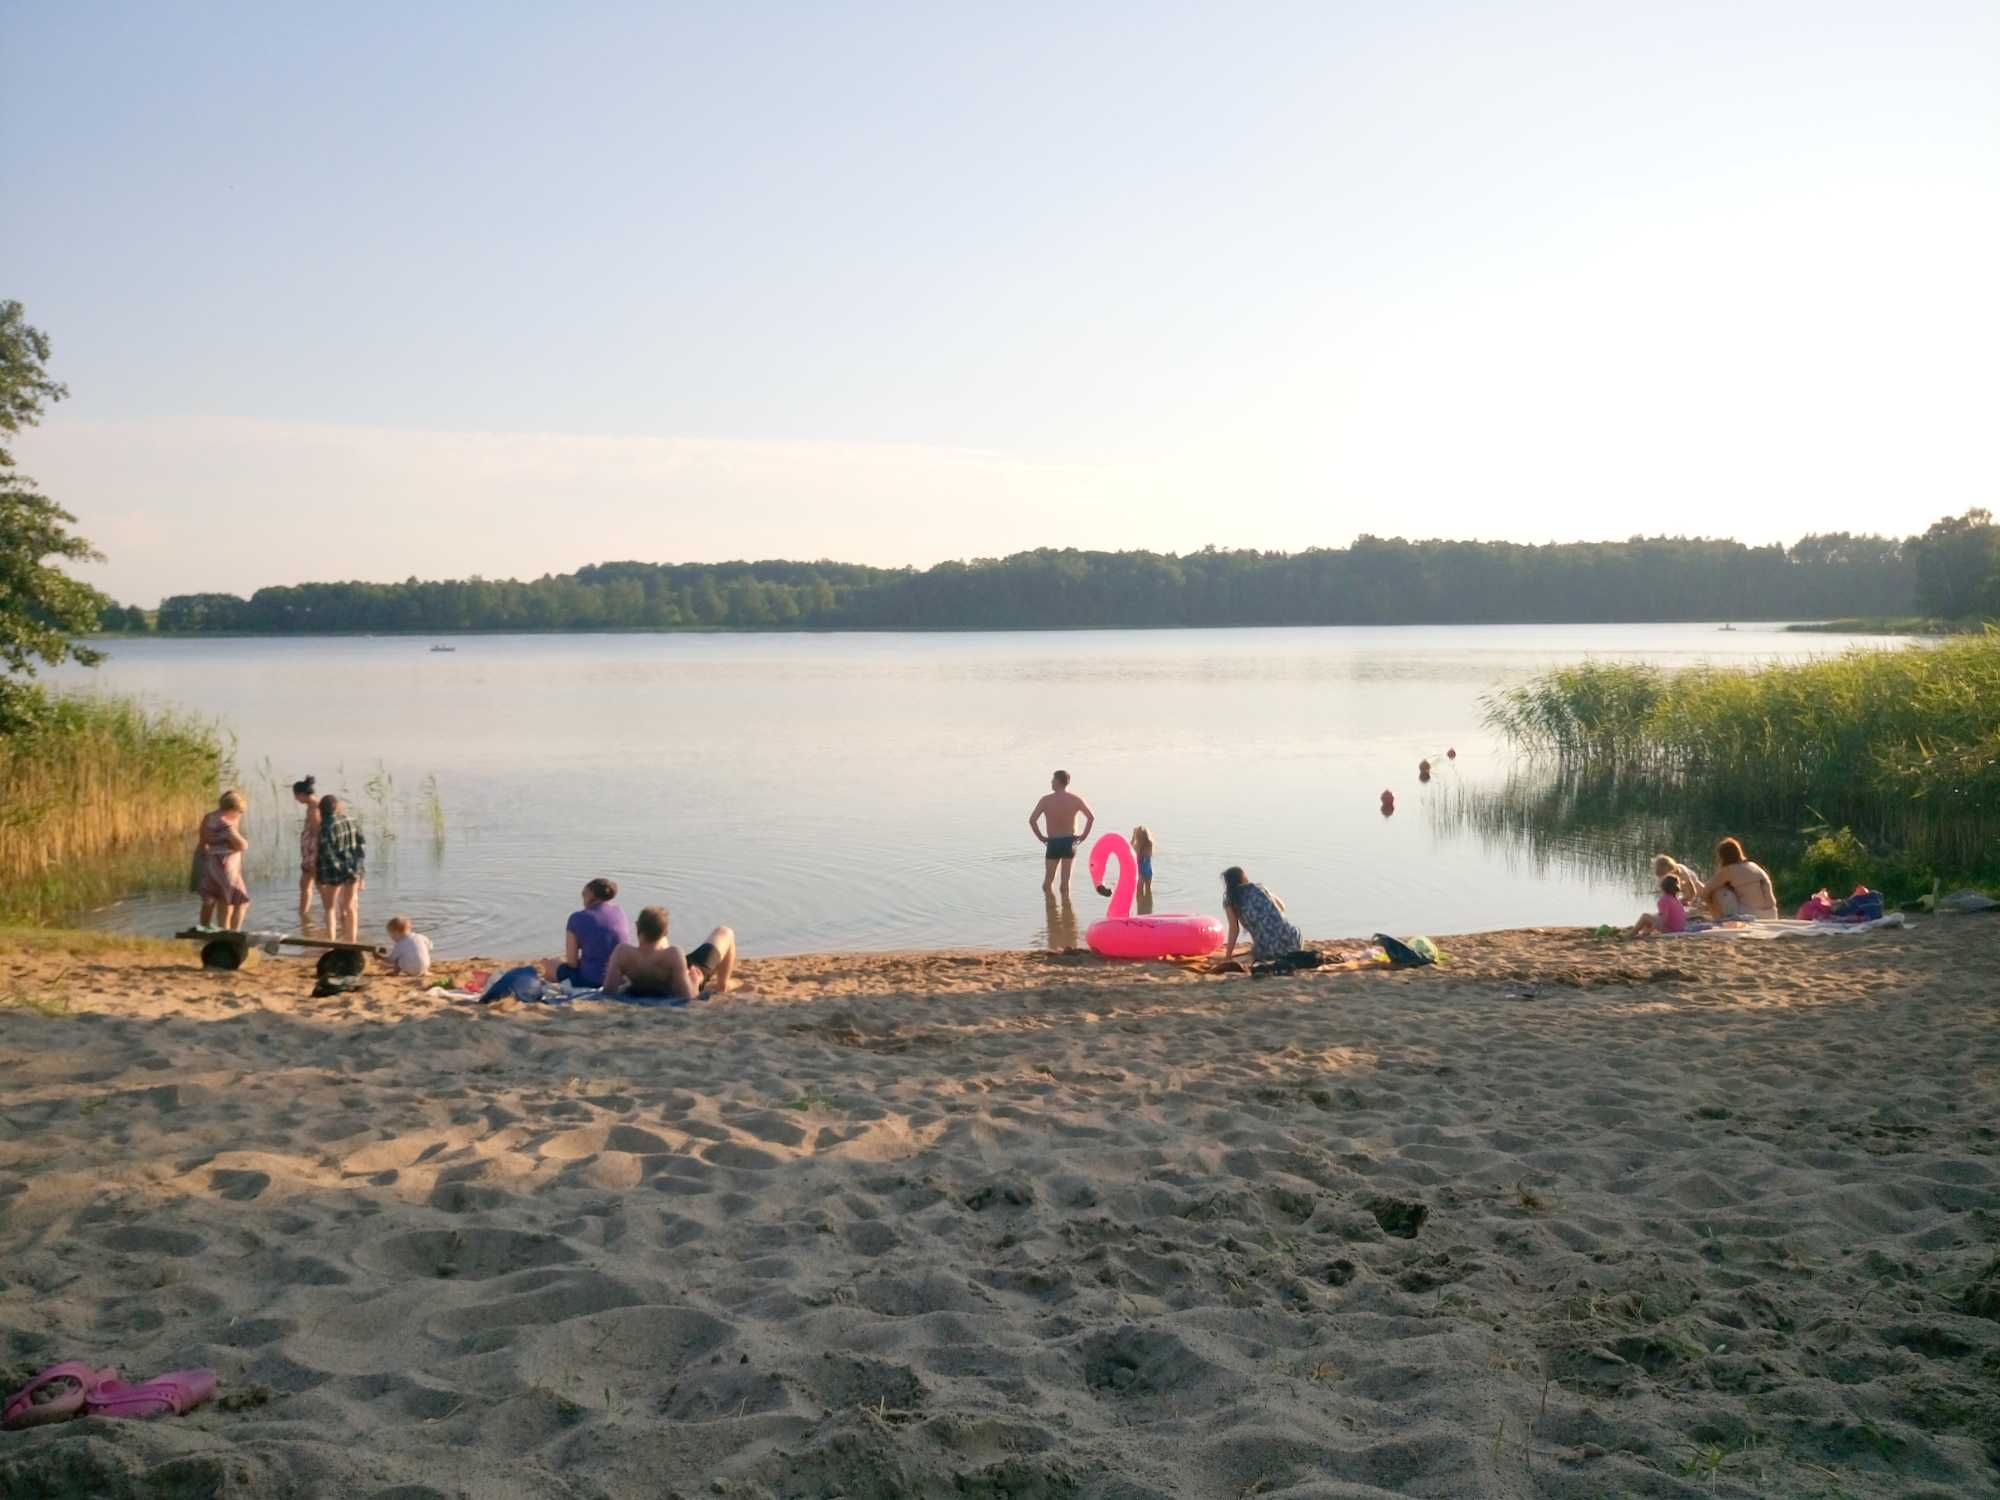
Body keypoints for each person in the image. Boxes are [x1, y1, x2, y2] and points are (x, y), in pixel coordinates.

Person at [601, 906, 737, 1002]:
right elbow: (688, 996)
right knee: (725, 932)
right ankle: (721, 985)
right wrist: (696, 982)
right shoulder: (673, 953)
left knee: (660, 943)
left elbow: (608, 991)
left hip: (644, 974)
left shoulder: (622, 952)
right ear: (666, 931)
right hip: (679, 973)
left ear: (637, 926)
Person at [543, 877, 633, 989]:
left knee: (550, 963)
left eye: (583, 894)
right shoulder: (619, 911)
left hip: (591, 980)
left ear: (590, 895)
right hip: (618, 978)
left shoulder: (577, 918)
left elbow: (572, 963)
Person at [1028, 770, 1095, 896]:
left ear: (1058, 782)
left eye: (1053, 780)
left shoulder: (1046, 800)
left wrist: (1041, 837)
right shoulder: (1076, 800)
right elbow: (1091, 817)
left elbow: (1032, 820)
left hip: (1053, 842)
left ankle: (1051, 910)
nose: (1051, 782)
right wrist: (1083, 836)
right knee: (1065, 884)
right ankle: (1064, 913)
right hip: (1070, 842)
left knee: (1047, 882)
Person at [194, 790, 251, 932]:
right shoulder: (225, 824)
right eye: (239, 812)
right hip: (226, 865)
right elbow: (243, 845)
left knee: (215, 899)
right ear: (232, 809)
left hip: (211, 863)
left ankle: (206, 931)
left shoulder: (209, 818)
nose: (240, 815)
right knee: (239, 902)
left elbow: (203, 843)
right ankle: (233, 934)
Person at [1221, 866, 1303, 962]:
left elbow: (1234, 929)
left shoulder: (1230, 899)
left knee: (1244, 958)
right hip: (1293, 939)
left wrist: (1228, 955)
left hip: (1269, 950)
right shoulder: (1260, 887)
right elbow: (1282, 907)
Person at [315, 794, 366, 944]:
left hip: (334, 873)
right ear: (337, 806)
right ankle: (352, 941)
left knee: (330, 908)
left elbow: (327, 853)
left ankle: (331, 944)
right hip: (353, 868)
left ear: (321, 810)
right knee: (350, 907)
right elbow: (361, 845)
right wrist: (359, 869)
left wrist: (323, 875)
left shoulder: (325, 827)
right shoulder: (351, 821)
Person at [1702, 837, 1778, 920]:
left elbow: (1706, 891)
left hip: (1752, 915)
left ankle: (1720, 919)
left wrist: (1710, 905)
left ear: (1723, 857)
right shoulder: (1753, 865)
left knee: (1718, 891)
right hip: (1772, 914)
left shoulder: (1729, 870)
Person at [292, 776, 324, 925]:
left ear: (301, 794)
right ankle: (303, 915)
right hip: (310, 852)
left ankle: (327, 911)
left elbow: (317, 831)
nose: (296, 799)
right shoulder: (315, 804)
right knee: (305, 884)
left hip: (313, 852)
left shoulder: (313, 807)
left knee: (317, 884)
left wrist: (315, 853)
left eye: (296, 796)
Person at [1131, 825, 1155, 900]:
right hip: (1148, 872)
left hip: (1140, 873)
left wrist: (1133, 837)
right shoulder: (1150, 845)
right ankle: (1148, 908)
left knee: (1139, 893)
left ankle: (1142, 909)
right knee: (1148, 891)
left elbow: (1129, 847)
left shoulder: (1137, 847)